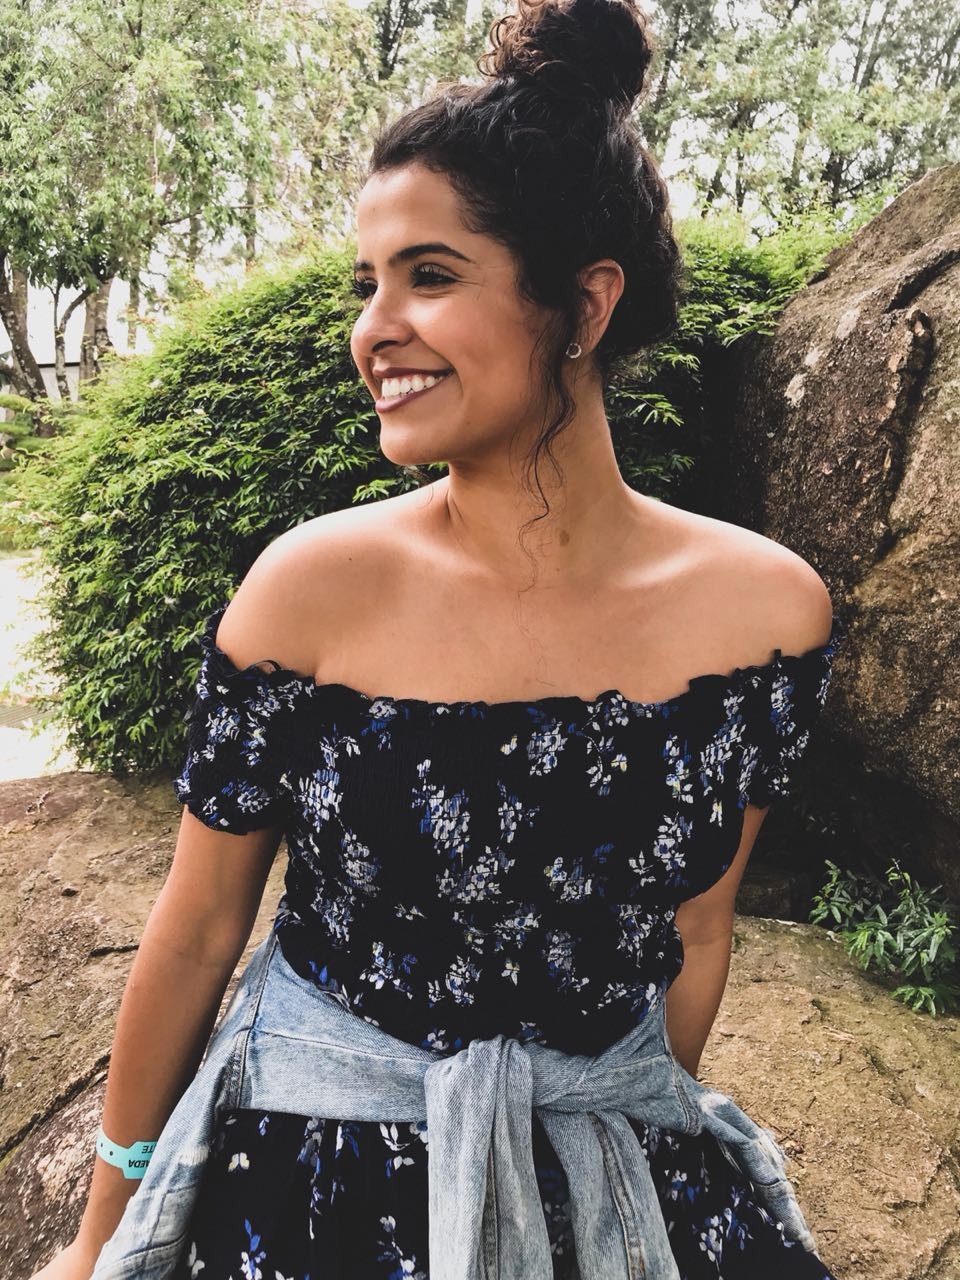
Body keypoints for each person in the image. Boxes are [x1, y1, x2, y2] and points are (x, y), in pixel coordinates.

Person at [35, 0, 848, 1276]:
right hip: (315, 1181)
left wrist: (618, 1156)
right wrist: (104, 1229)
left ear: (584, 303)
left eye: (430, 274)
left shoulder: (767, 615)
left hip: (610, 1169)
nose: (374, 327)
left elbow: (699, 932)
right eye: (368, 283)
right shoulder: (310, 591)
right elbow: (195, 932)